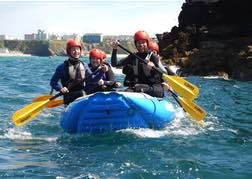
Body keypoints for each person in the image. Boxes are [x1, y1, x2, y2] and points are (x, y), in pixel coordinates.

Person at [111, 30, 164, 98]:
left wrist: (154, 67)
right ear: (136, 44)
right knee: (123, 91)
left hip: (155, 88)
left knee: (138, 87)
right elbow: (115, 64)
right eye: (139, 43)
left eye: (143, 42)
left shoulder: (153, 56)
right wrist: (114, 49)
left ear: (147, 43)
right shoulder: (133, 56)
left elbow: (163, 73)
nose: (141, 45)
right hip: (139, 88)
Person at [50, 39, 92, 105]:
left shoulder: (84, 65)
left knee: (83, 93)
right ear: (69, 52)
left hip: (83, 96)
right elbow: (53, 82)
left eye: (78, 49)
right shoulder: (62, 67)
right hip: (69, 97)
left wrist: (102, 71)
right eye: (73, 50)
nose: (76, 51)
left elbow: (93, 79)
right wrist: (61, 88)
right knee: (82, 93)